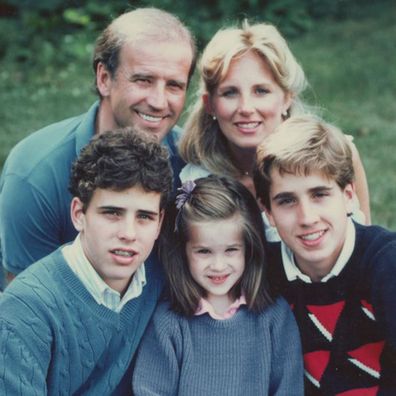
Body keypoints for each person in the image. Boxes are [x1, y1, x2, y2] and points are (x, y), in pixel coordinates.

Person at [0, 7, 196, 288]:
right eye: (143, 80)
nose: (158, 101)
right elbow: (27, 306)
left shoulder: (190, 163)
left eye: (174, 85)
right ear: (104, 78)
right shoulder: (35, 174)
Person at [0, 127, 173, 395]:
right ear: (79, 213)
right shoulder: (24, 311)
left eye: (144, 217)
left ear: (160, 222)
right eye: (112, 213)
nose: (128, 234)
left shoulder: (159, 278)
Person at [178, 20, 370, 241]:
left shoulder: (338, 156)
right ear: (209, 103)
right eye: (230, 92)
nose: (246, 108)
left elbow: (366, 242)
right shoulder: (194, 181)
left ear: (287, 98)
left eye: (261, 91)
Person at [253, 115, 396, 395]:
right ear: (267, 211)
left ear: (348, 195)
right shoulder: (264, 272)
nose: (307, 218)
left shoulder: (385, 262)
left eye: (319, 194)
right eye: (287, 201)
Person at [132, 176, 304, 395]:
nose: (218, 265)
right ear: (184, 252)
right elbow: (150, 390)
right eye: (204, 251)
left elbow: (288, 389)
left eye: (231, 250)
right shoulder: (169, 322)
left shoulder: (274, 316)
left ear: (248, 250)